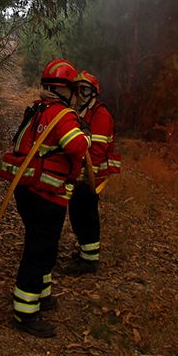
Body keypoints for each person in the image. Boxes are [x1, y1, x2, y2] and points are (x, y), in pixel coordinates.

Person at [0, 58, 90, 337]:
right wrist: (86, 135)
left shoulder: (40, 109)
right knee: (39, 250)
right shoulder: (62, 115)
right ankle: (25, 313)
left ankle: (42, 294)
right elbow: (76, 146)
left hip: (29, 191)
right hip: (46, 194)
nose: (77, 95)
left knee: (43, 245)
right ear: (65, 89)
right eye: (75, 89)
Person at [64, 70, 121, 274]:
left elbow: (95, 152)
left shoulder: (100, 115)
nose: (80, 94)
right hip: (81, 176)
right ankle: (84, 250)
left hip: (91, 176)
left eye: (85, 89)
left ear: (94, 93)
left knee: (86, 214)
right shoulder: (82, 112)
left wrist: (86, 178)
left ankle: (89, 260)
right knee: (77, 213)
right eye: (78, 89)